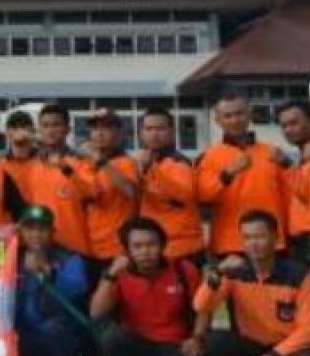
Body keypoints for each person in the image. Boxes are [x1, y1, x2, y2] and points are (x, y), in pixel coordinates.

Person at [194, 210, 310, 356]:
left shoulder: (299, 275)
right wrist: (217, 272)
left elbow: (307, 329)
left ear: (276, 238)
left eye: (259, 236)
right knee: (217, 341)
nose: (253, 243)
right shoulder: (234, 272)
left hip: (289, 350)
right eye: (247, 237)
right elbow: (201, 305)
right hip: (252, 346)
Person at [90, 217, 213, 356]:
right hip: (136, 345)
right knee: (110, 336)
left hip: (175, 345)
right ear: (127, 250)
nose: (145, 251)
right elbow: (96, 312)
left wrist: (197, 338)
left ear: (162, 246)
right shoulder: (117, 274)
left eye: (151, 244)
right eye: (137, 246)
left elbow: (203, 309)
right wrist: (111, 274)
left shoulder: (184, 269)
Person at [196, 91, 289, 257]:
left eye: (239, 113)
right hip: (230, 243)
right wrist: (227, 174)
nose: (235, 120)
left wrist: (287, 164)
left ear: (249, 114)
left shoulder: (272, 153)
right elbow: (203, 197)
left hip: (274, 242)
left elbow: (290, 198)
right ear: (218, 120)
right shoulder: (209, 157)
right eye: (228, 116)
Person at [14, 204, 87, 356]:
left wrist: (49, 273)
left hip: (57, 327)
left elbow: (77, 287)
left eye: (42, 229)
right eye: (30, 229)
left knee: (55, 329)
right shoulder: (11, 257)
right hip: (20, 330)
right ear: (21, 231)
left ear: (52, 232)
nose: (36, 234)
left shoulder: (69, 258)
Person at [26, 104, 96, 258]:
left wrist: (65, 168)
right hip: (40, 250)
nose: (50, 130)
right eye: (45, 126)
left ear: (67, 129)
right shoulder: (33, 165)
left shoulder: (82, 161)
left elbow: (91, 193)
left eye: (56, 125)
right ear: (39, 130)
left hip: (75, 248)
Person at [134, 107, 203, 263]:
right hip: (153, 246)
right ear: (141, 133)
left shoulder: (180, 162)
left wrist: (150, 170)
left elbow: (181, 196)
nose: (154, 134)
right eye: (149, 129)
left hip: (182, 248)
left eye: (160, 129)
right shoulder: (140, 161)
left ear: (172, 131)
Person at [85, 108, 141, 272]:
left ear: (119, 132)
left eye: (106, 128)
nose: (99, 133)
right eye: (95, 128)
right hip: (89, 248)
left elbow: (131, 191)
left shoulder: (127, 163)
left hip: (117, 249)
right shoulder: (85, 163)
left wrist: (103, 163)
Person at [277, 100, 310, 265]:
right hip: (298, 237)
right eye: (283, 126)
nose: (288, 130)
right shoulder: (301, 154)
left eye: (294, 123)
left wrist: (287, 165)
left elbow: (305, 192)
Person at [0, 110, 38, 199]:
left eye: (23, 127)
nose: (19, 131)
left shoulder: (44, 161)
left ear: (33, 131)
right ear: (7, 133)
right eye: (14, 128)